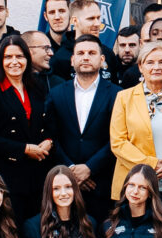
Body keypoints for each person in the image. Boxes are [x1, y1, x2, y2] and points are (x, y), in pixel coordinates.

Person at [0, 34, 51, 217]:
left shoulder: (38, 87)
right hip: (7, 176)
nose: (14, 62)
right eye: (8, 57)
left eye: (19, 56)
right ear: (0, 61)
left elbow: (49, 122)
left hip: (38, 174)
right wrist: (24, 149)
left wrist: (49, 140)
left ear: (27, 59)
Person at [45, 33, 120, 214]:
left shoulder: (118, 94)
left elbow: (119, 138)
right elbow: (51, 136)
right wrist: (71, 170)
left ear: (102, 60)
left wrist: (89, 168)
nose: (85, 57)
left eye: (91, 53)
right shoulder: (56, 93)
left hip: (102, 183)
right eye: (80, 53)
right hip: (64, 184)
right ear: (72, 60)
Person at [110, 40, 162, 208]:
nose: (156, 67)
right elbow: (118, 143)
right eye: (150, 62)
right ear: (140, 67)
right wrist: (151, 164)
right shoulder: (124, 98)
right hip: (133, 186)